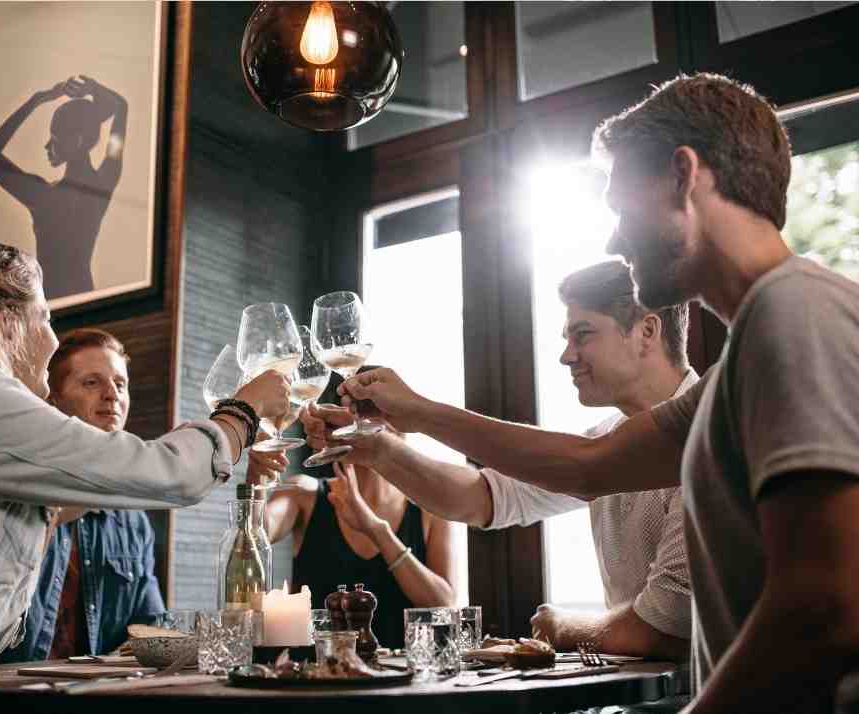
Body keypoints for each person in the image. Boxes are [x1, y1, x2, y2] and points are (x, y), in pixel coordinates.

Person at [306, 74, 859, 713]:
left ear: (684, 175)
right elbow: (588, 465)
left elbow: (826, 605)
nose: (615, 240)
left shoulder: (792, 311)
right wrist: (414, 416)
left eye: (622, 206)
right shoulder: (739, 365)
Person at [0, 241, 289, 708]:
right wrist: (243, 412)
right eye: (46, 317)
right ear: (9, 328)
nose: (51, 336)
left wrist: (233, 453)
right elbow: (168, 473)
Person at [472, 260, 696, 665]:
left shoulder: (707, 431)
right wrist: (382, 448)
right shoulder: (602, 440)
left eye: (583, 334)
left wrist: (560, 627)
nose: (565, 356)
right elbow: (482, 496)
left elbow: (663, 625)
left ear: (647, 331)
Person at [247, 370, 460, 649]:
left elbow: (443, 604)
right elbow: (253, 534)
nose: (361, 424)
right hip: (319, 679)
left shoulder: (430, 509)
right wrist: (256, 474)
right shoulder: (305, 494)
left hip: (402, 680)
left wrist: (376, 529)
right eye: (354, 413)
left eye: (375, 413)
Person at [0, 328, 165, 663]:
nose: (111, 395)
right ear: (52, 399)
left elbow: (151, 626)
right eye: (92, 382)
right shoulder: (13, 490)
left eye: (120, 384)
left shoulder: (132, 519)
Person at [0, 75, 126, 300]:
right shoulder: (105, 181)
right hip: (84, 296)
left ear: (77, 141)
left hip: (51, 301)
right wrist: (95, 88)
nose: (47, 146)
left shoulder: (43, 195)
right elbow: (121, 107)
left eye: (55, 138)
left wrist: (37, 100)